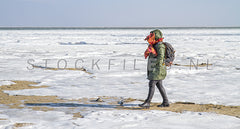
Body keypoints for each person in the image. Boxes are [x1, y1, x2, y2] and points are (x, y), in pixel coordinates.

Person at [139, 29, 169, 108]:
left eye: (152, 35)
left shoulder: (160, 45)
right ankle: (166, 102)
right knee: (159, 85)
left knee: (152, 84)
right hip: (155, 69)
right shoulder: (154, 45)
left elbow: (161, 57)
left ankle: (147, 102)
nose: (150, 37)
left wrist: (157, 66)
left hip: (158, 69)